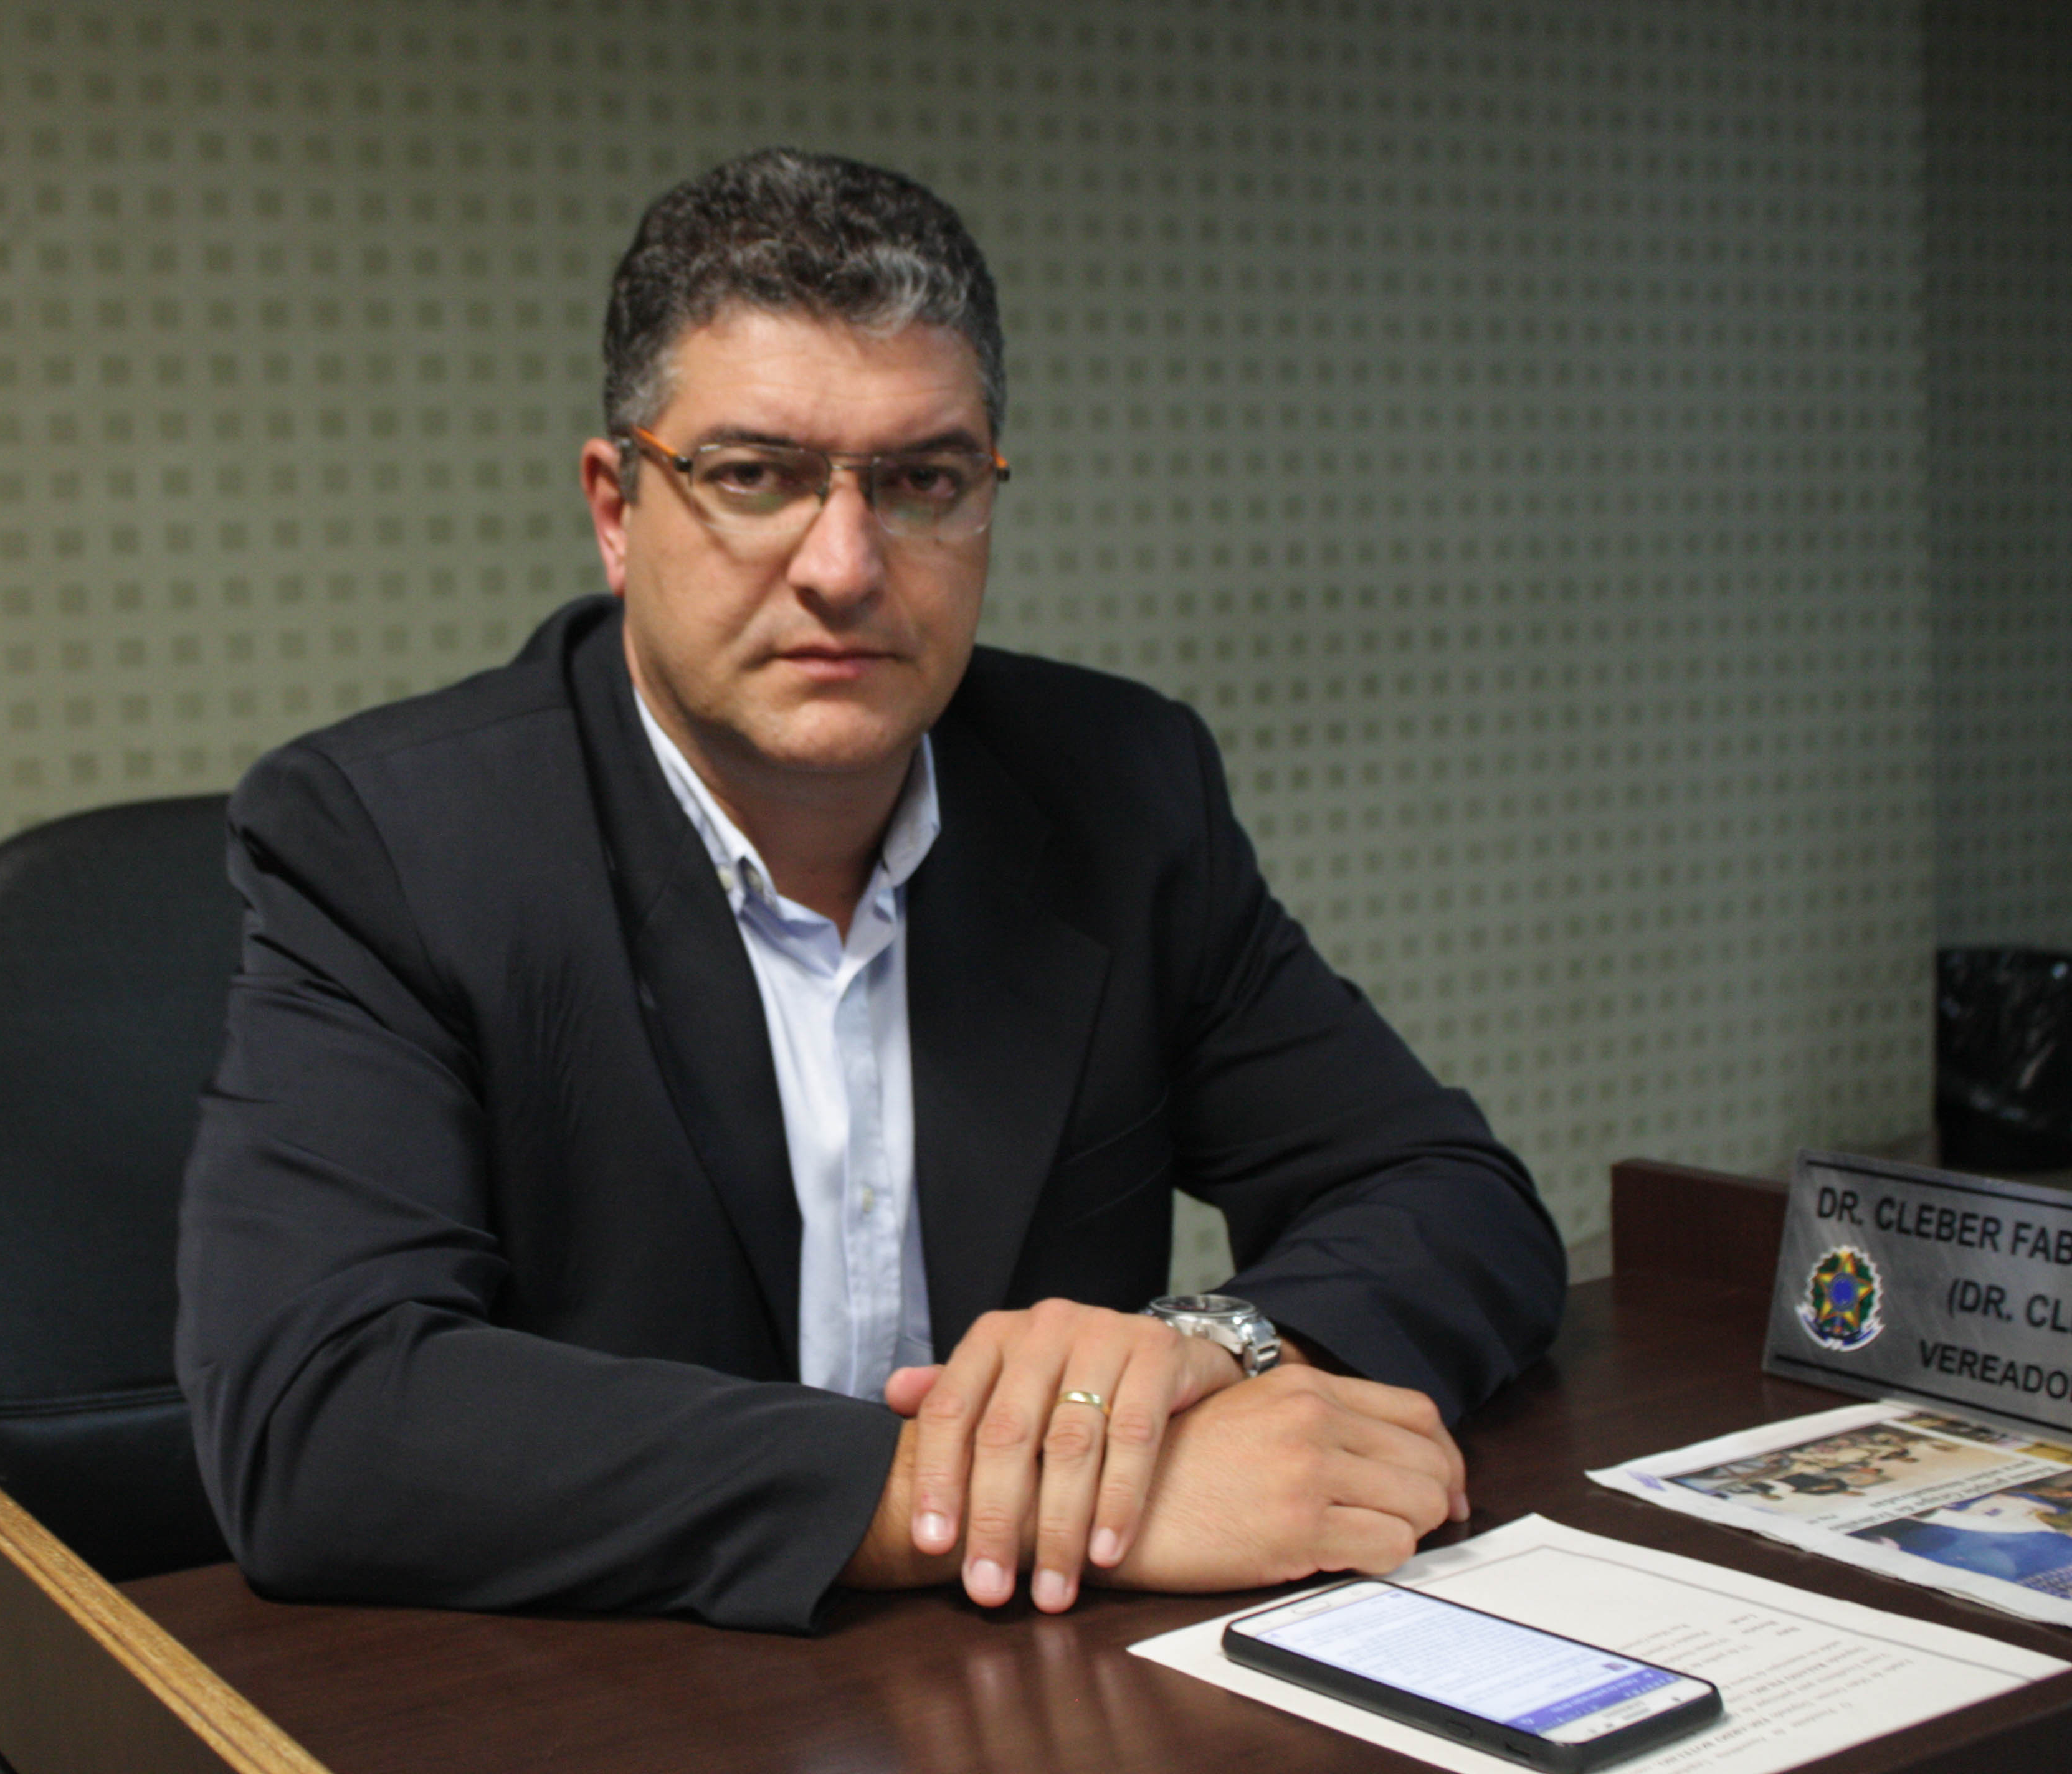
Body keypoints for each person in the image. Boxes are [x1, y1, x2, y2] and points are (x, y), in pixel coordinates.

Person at [176, 148, 1566, 1634]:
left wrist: (1212, 1347)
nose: (843, 566)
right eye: (753, 476)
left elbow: (1453, 1197)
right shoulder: (393, 840)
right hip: (627, 1700)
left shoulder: (1120, 789)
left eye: (922, 482)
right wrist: (1002, 1493)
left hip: (1036, 1691)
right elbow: (319, 1419)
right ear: (617, 506)